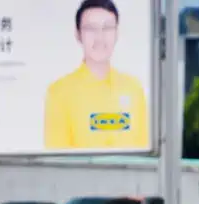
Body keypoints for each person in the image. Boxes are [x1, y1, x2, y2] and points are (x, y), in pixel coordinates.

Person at [44, 0, 150, 152]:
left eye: (107, 28)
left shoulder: (133, 88)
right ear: (78, 34)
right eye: (90, 29)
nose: (99, 37)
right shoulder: (59, 93)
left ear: (117, 33)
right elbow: (58, 162)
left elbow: (144, 153)